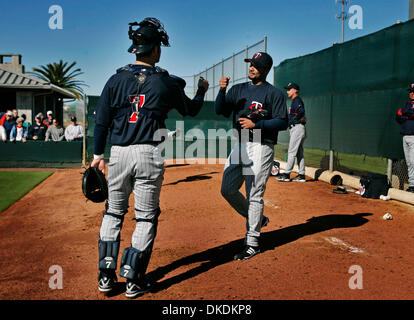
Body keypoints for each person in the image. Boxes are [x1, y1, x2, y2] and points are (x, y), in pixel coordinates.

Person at [91, 17, 209, 298]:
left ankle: (106, 277)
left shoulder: (115, 78)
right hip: (148, 152)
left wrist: (98, 155)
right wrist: (203, 90)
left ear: (134, 47)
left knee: (113, 212)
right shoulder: (166, 82)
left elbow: (101, 123)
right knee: (145, 218)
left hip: (118, 152)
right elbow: (191, 110)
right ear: (156, 49)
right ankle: (133, 280)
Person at [215, 52, 288, 260]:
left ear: (265, 69)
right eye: (250, 64)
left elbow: (283, 121)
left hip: (261, 144)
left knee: (254, 193)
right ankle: (259, 219)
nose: (251, 68)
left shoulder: (273, 93)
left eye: (255, 65)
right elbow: (220, 110)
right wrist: (222, 91)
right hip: (240, 144)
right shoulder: (238, 89)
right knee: (227, 189)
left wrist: (258, 124)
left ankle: (253, 241)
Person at [276, 82, 307, 182]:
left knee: (292, 151)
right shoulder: (295, 101)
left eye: (289, 89)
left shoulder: (297, 100)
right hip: (297, 128)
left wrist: (296, 119)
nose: (287, 91)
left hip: (297, 128)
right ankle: (301, 175)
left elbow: (301, 112)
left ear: (294, 90)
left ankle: (286, 174)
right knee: (299, 153)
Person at [396, 83, 414, 193]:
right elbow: (398, 116)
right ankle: (412, 184)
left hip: (413, 137)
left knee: (413, 161)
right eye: (410, 91)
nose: (411, 93)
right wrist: (408, 115)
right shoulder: (406, 104)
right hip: (405, 136)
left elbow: (410, 114)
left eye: (413, 91)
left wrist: (406, 115)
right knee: (409, 162)